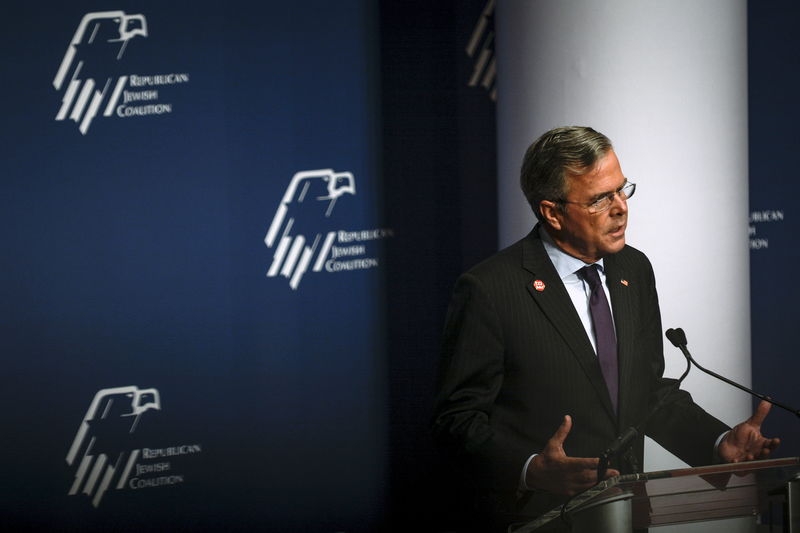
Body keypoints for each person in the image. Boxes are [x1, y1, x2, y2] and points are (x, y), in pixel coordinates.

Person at [432, 126, 780, 531]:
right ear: (551, 212)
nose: (621, 208)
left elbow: (645, 393)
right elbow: (456, 421)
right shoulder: (491, 289)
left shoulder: (633, 268)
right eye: (600, 198)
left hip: (625, 514)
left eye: (622, 190)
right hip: (538, 519)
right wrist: (530, 468)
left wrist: (718, 443)